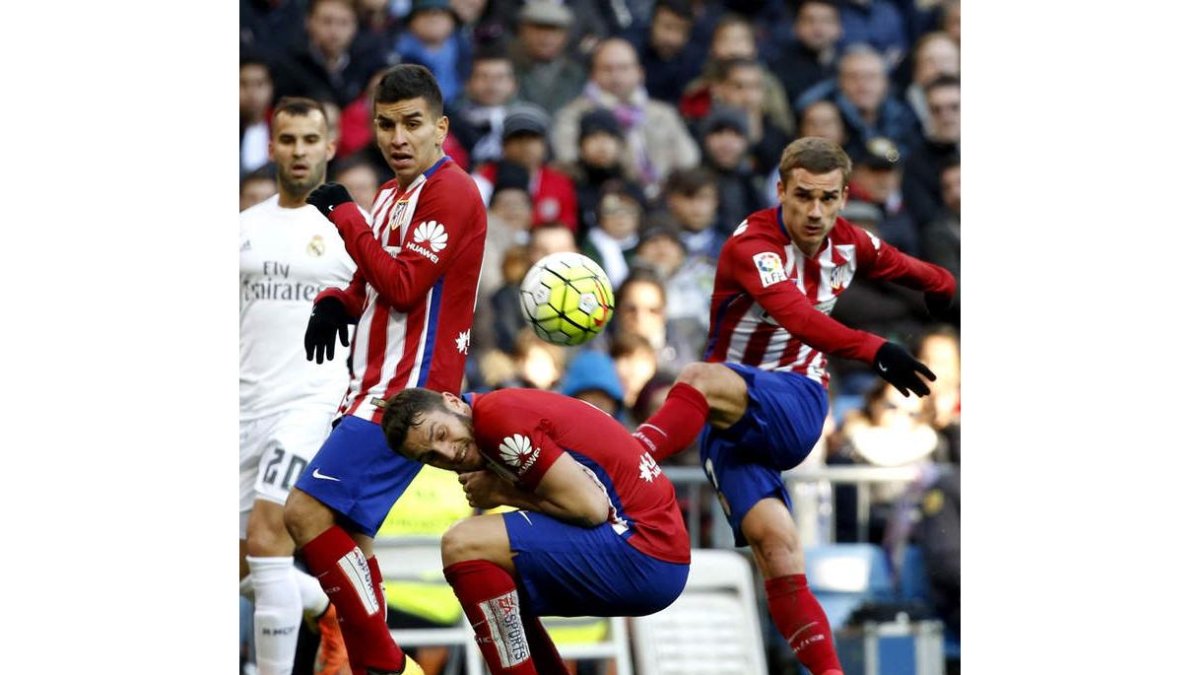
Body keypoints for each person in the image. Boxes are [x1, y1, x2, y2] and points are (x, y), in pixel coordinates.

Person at [630, 136, 956, 675]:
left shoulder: (851, 243)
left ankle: (622, 460)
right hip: (727, 419)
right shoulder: (751, 246)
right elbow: (800, 318)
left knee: (696, 378)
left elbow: (902, 266)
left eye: (828, 199)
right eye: (803, 196)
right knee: (777, 550)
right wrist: (877, 349)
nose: (815, 211)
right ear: (780, 190)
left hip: (795, 399)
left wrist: (942, 284)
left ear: (844, 197)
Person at [282, 63, 487, 675]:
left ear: (440, 128)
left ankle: (381, 661)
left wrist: (345, 216)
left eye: (412, 124)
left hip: (409, 395)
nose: (397, 137)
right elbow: (372, 282)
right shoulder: (395, 194)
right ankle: (375, 662)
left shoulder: (452, 191)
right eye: (386, 125)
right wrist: (336, 303)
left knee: (303, 514)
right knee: (351, 536)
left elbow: (401, 287)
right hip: (371, 383)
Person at [379, 386, 691, 675]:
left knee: (462, 543)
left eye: (442, 433)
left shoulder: (496, 422)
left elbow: (590, 508)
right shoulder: (497, 411)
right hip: (656, 552)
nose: (448, 454)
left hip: (645, 551)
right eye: (430, 457)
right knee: (494, 574)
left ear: (452, 401)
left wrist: (502, 494)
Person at [240, 96, 355, 675]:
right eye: (288, 140)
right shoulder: (242, 231)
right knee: (245, 573)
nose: (299, 151)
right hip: (245, 408)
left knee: (267, 541)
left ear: (329, 147)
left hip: (310, 405)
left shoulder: (348, 233)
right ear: (271, 146)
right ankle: (324, 607)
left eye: (311, 140)